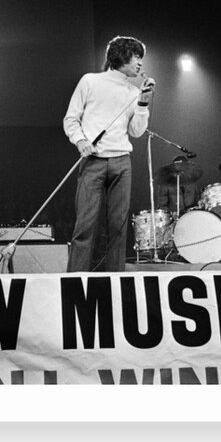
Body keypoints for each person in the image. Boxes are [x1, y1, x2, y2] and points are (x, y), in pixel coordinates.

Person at [63, 35, 154, 272]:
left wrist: (143, 103)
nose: (140, 63)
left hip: (122, 163)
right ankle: (75, 281)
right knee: (85, 226)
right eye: (136, 57)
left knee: (118, 227)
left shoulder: (133, 91)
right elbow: (71, 119)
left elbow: (136, 131)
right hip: (93, 161)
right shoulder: (90, 81)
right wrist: (80, 140)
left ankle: (116, 281)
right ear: (121, 55)